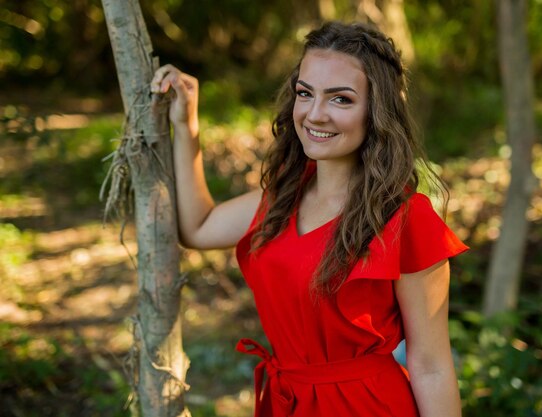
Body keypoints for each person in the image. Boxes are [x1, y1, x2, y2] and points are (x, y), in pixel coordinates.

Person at [151, 21, 468, 417]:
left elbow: (432, 366)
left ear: (377, 110)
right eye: (306, 93)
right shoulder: (282, 200)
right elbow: (197, 227)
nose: (315, 115)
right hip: (287, 402)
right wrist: (186, 125)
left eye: (341, 100)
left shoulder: (405, 219)